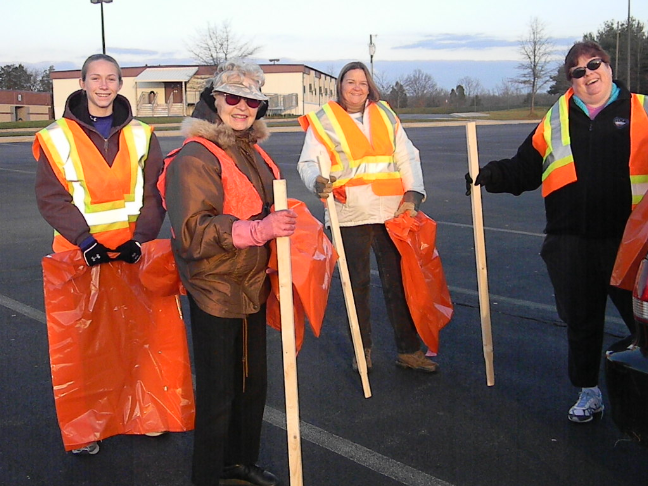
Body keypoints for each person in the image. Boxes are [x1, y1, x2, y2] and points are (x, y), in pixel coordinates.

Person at [467, 40, 648, 423]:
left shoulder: (642, 110)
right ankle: (588, 391)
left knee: (642, 323)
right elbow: (525, 166)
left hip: (630, 242)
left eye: (594, 65)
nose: (588, 75)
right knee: (582, 322)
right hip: (571, 241)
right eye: (578, 72)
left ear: (608, 66)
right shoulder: (556, 117)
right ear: (571, 79)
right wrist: (491, 175)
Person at [164, 61, 295, 486]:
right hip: (215, 288)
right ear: (214, 100)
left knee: (252, 386)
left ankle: (240, 462)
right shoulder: (196, 155)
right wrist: (257, 230)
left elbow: (267, 205)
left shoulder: (252, 149)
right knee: (219, 393)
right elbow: (191, 233)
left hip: (252, 285)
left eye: (252, 100)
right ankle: (208, 474)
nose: (242, 107)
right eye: (232, 97)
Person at [33, 54, 166, 452]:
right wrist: (84, 240)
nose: (104, 86)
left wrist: (141, 238)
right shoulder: (56, 136)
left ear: (121, 84)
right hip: (80, 255)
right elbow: (51, 197)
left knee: (139, 338)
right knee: (83, 344)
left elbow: (154, 193)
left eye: (111, 79)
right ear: (83, 82)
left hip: (131, 253)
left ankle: (145, 412)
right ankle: (85, 428)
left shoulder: (142, 134)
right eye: (96, 78)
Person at [297, 61, 438, 373]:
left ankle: (409, 350)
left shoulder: (385, 115)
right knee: (356, 286)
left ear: (369, 86)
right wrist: (317, 181)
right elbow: (308, 162)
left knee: (399, 283)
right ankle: (363, 352)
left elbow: (406, 155)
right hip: (349, 213)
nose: (356, 87)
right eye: (350, 81)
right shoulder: (325, 120)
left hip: (392, 212)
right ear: (341, 86)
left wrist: (413, 193)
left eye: (362, 82)